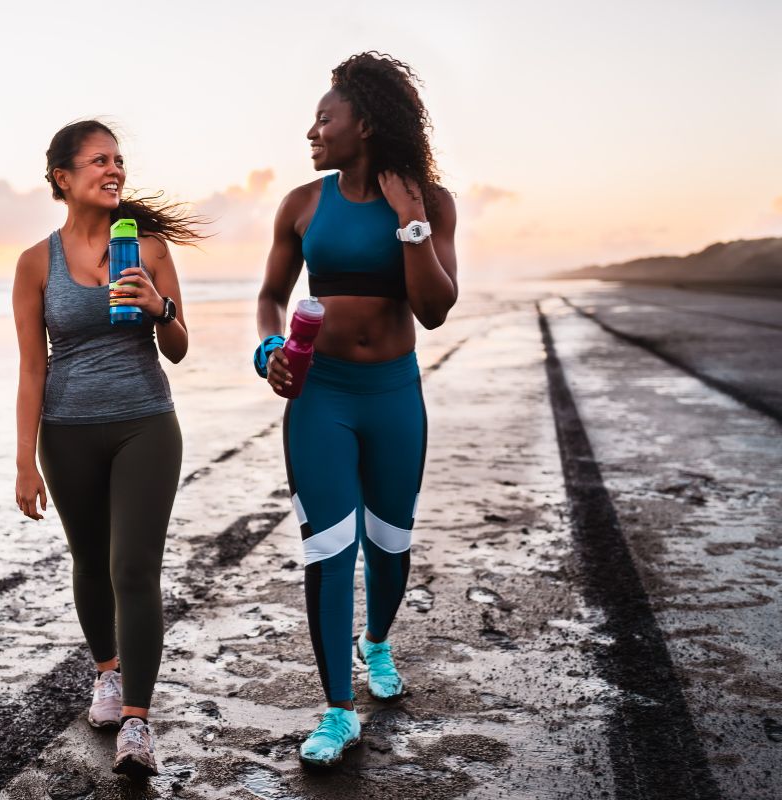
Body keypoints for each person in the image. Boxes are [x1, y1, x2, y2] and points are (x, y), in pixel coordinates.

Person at [254, 52, 458, 767]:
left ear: (364, 124)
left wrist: (410, 224)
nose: (312, 131)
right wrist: (268, 348)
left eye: (324, 118)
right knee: (327, 549)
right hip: (321, 395)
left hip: (394, 394)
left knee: (391, 543)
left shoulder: (429, 202)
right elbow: (270, 297)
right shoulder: (303, 204)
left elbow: (434, 310)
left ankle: (377, 642)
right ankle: (337, 712)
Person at [12, 120, 205, 777]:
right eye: (99, 160)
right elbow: (31, 367)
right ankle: (108, 675)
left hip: (145, 423)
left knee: (133, 568)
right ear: (64, 179)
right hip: (66, 431)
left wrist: (162, 306)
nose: (114, 169)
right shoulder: (36, 263)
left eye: (119, 159)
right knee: (90, 560)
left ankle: (138, 726)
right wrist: (23, 460)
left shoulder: (147, 248)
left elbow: (179, 348)